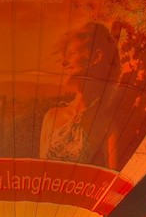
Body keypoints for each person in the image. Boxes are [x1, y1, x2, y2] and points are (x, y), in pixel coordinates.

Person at [40, 22, 122, 168]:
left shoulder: (107, 127)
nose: (65, 62)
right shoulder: (51, 117)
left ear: (96, 57)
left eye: (72, 53)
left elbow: (113, 183)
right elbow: (38, 175)